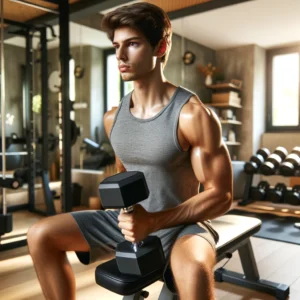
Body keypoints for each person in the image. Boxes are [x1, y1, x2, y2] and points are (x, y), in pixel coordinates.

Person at [27, 2, 233, 300]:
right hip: (132, 222)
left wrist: (153, 222)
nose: (120, 56)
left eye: (132, 44)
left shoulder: (192, 115)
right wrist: (132, 221)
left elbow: (222, 195)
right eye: (116, 46)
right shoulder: (113, 118)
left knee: (195, 271)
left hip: (183, 223)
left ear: (160, 47)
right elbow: (127, 182)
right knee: (41, 234)